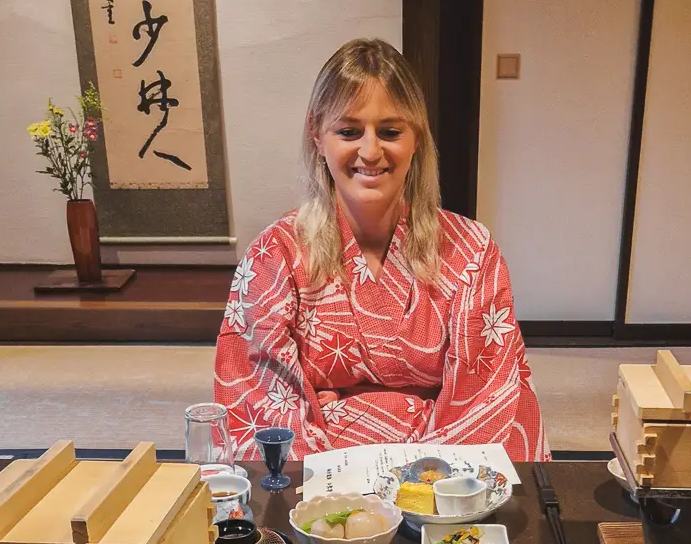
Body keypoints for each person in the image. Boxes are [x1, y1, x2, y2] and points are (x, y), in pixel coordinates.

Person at [215, 38, 549, 462]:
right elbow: (261, 398)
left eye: (390, 132)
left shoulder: (471, 251)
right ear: (316, 134)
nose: (370, 152)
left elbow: (488, 394)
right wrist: (332, 478)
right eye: (349, 131)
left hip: (440, 477)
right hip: (322, 476)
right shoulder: (275, 255)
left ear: (417, 137)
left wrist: (420, 477)